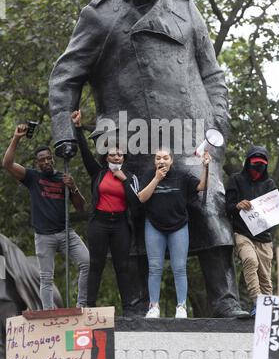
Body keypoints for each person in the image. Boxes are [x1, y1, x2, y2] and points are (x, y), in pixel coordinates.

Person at [49, 0, 248, 318]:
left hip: (191, 131)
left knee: (209, 204)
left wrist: (218, 120)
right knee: (133, 218)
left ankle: (225, 299)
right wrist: (63, 128)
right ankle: (139, 305)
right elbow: (65, 77)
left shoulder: (186, 8)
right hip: (128, 135)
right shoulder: (100, 16)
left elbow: (212, 72)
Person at [2, 124, 90, 310]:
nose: (47, 162)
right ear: (37, 163)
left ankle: (82, 304)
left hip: (65, 233)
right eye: (43, 160)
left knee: (86, 261)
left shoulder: (63, 178)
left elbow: (81, 208)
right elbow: (7, 164)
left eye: (49, 158)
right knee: (46, 277)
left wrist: (73, 187)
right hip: (44, 236)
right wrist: (17, 138)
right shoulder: (32, 178)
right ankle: (48, 312)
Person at [71, 110, 140, 315]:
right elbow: (85, 153)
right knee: (96, 264)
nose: (116, 156)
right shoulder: (98, 173)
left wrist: (124, 180)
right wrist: (77, 129)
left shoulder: (130, 176)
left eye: (119, 153)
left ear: (124, 157)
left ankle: (128, 308)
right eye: (112, 153)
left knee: (122, 266)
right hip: (99, 223)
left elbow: (135, 203)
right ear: (106, 156)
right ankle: (90, 306)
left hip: (120, 225)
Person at [225, 146, 279, 317]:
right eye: (255, 163)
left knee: (265, 277)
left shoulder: (270, 184)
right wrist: (237, 205)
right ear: (248, 162)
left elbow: (276, 210)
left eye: (262, 164)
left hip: (264, 237)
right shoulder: (236, 180)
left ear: (266, 164)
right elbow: (227, 207)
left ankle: (267, 310)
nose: (258, 167)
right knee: (250, 261)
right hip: (242, 233)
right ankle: (258, 301)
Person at [138, 148, 211, 319]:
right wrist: (156, 179)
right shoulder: (149, 174)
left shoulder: (182, 175)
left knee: (179, 268)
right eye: (158, 158)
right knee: (155, 268)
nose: (161, 161)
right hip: (154, 226)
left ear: (172, 160)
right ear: (154, 161)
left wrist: (206, 167)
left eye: (165, 158)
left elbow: (202, 186)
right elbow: (141, 198)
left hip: (178, 226)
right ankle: (154, 306)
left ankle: (181, 306)